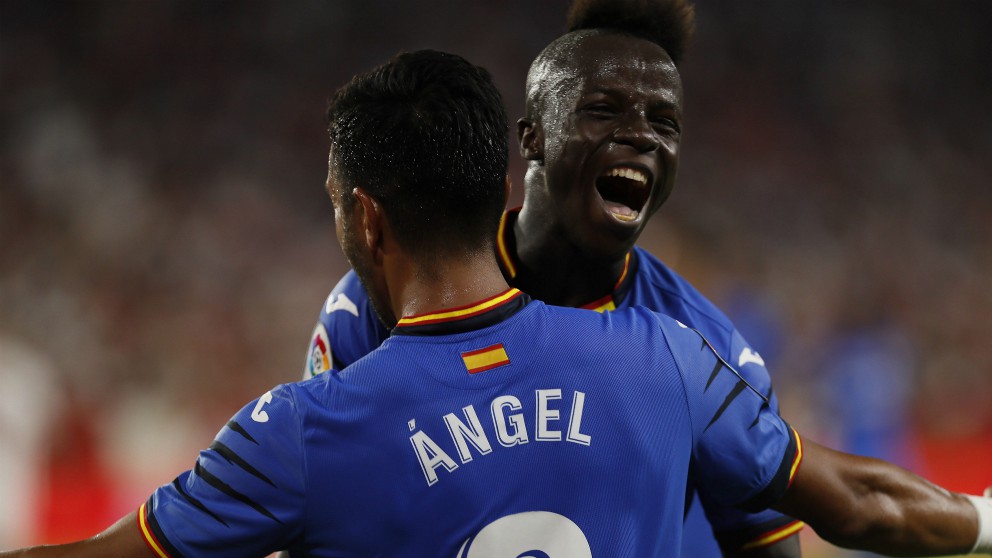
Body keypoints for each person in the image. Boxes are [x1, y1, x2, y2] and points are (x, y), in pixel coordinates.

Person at [4, 47, 990, 558]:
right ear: (501, 193)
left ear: (366, 218)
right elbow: (865, 504)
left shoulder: (305, 429)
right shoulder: (663, 357)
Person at [301, 0, 795, 555]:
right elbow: (326, 513)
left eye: (665, 122)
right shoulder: (384, 301)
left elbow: (769, 542)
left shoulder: (707, 349)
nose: (642, 136)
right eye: (604, 110)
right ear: (532, 136)